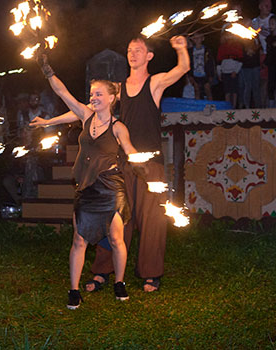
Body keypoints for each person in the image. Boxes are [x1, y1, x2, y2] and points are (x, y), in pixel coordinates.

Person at [36, 56, 147, 308]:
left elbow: (129, 149)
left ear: (111, 98)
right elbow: (64, 94)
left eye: (98, 94)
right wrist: (48, 70)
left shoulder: (118, 127)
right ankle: (73, 290)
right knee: (78, 239)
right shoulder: (86, 117)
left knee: (117, 239)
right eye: (91, 93)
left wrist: (142, 164)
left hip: (110, 187)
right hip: (86, 187)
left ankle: (119, 283)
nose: (93, 97)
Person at [86, 36, 189, 294]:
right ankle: (102, 271)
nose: (132, 54)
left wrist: (181, 49)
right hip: (123, 162)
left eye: (138, 50)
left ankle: (151, 274)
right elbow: (92, 106)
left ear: (149, 56)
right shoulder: (118, 89)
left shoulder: (153, 84)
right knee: (115, 216)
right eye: (129, 50)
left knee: (152, 219)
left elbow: (183, 69)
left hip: (150, 164)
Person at [217, 33, 243, 108]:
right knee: (227, 91)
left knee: (234, 91)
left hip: (234, 71)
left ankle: (234, 106)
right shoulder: (222, 47)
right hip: (225, 71)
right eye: (227, 35)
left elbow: (240, 61)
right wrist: (219, 73)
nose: (229, 37)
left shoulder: (237, 46)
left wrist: (236, 71)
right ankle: (227, 106)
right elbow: (219, 62)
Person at [187, 33, 215, 100]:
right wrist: (189, 75)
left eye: (199, 38)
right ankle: (198, 107)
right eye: (195, 38)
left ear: (202, 38)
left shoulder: (207, 50)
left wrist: (211, 75)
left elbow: (211, 63)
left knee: (207, 89)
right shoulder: (190, 51)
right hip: (195, 73)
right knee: (196, 90)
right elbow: (189, 63)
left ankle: (211, 105)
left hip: (205, 73)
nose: (197, 40)